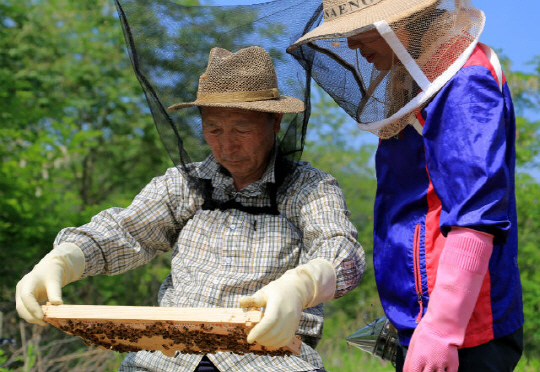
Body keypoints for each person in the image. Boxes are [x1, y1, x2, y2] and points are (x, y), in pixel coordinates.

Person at [15, 46, 366, 372]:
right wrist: (65, 258)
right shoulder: (183, 184)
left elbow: (341, 250)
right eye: (213, 129)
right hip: (165, 360)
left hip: (269, 359)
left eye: (241, 128)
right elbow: (126, 231)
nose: (226, 145)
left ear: (274, 123)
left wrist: (302, 285)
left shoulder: (310, 187)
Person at [287, 0, 524, 371]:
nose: (352, 45)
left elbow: (475, 215)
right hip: (421, 317)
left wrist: (443, 327)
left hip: (465, 328)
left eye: (360, 28)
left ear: (402, 21)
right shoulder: (419, 79)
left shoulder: (464, 81)